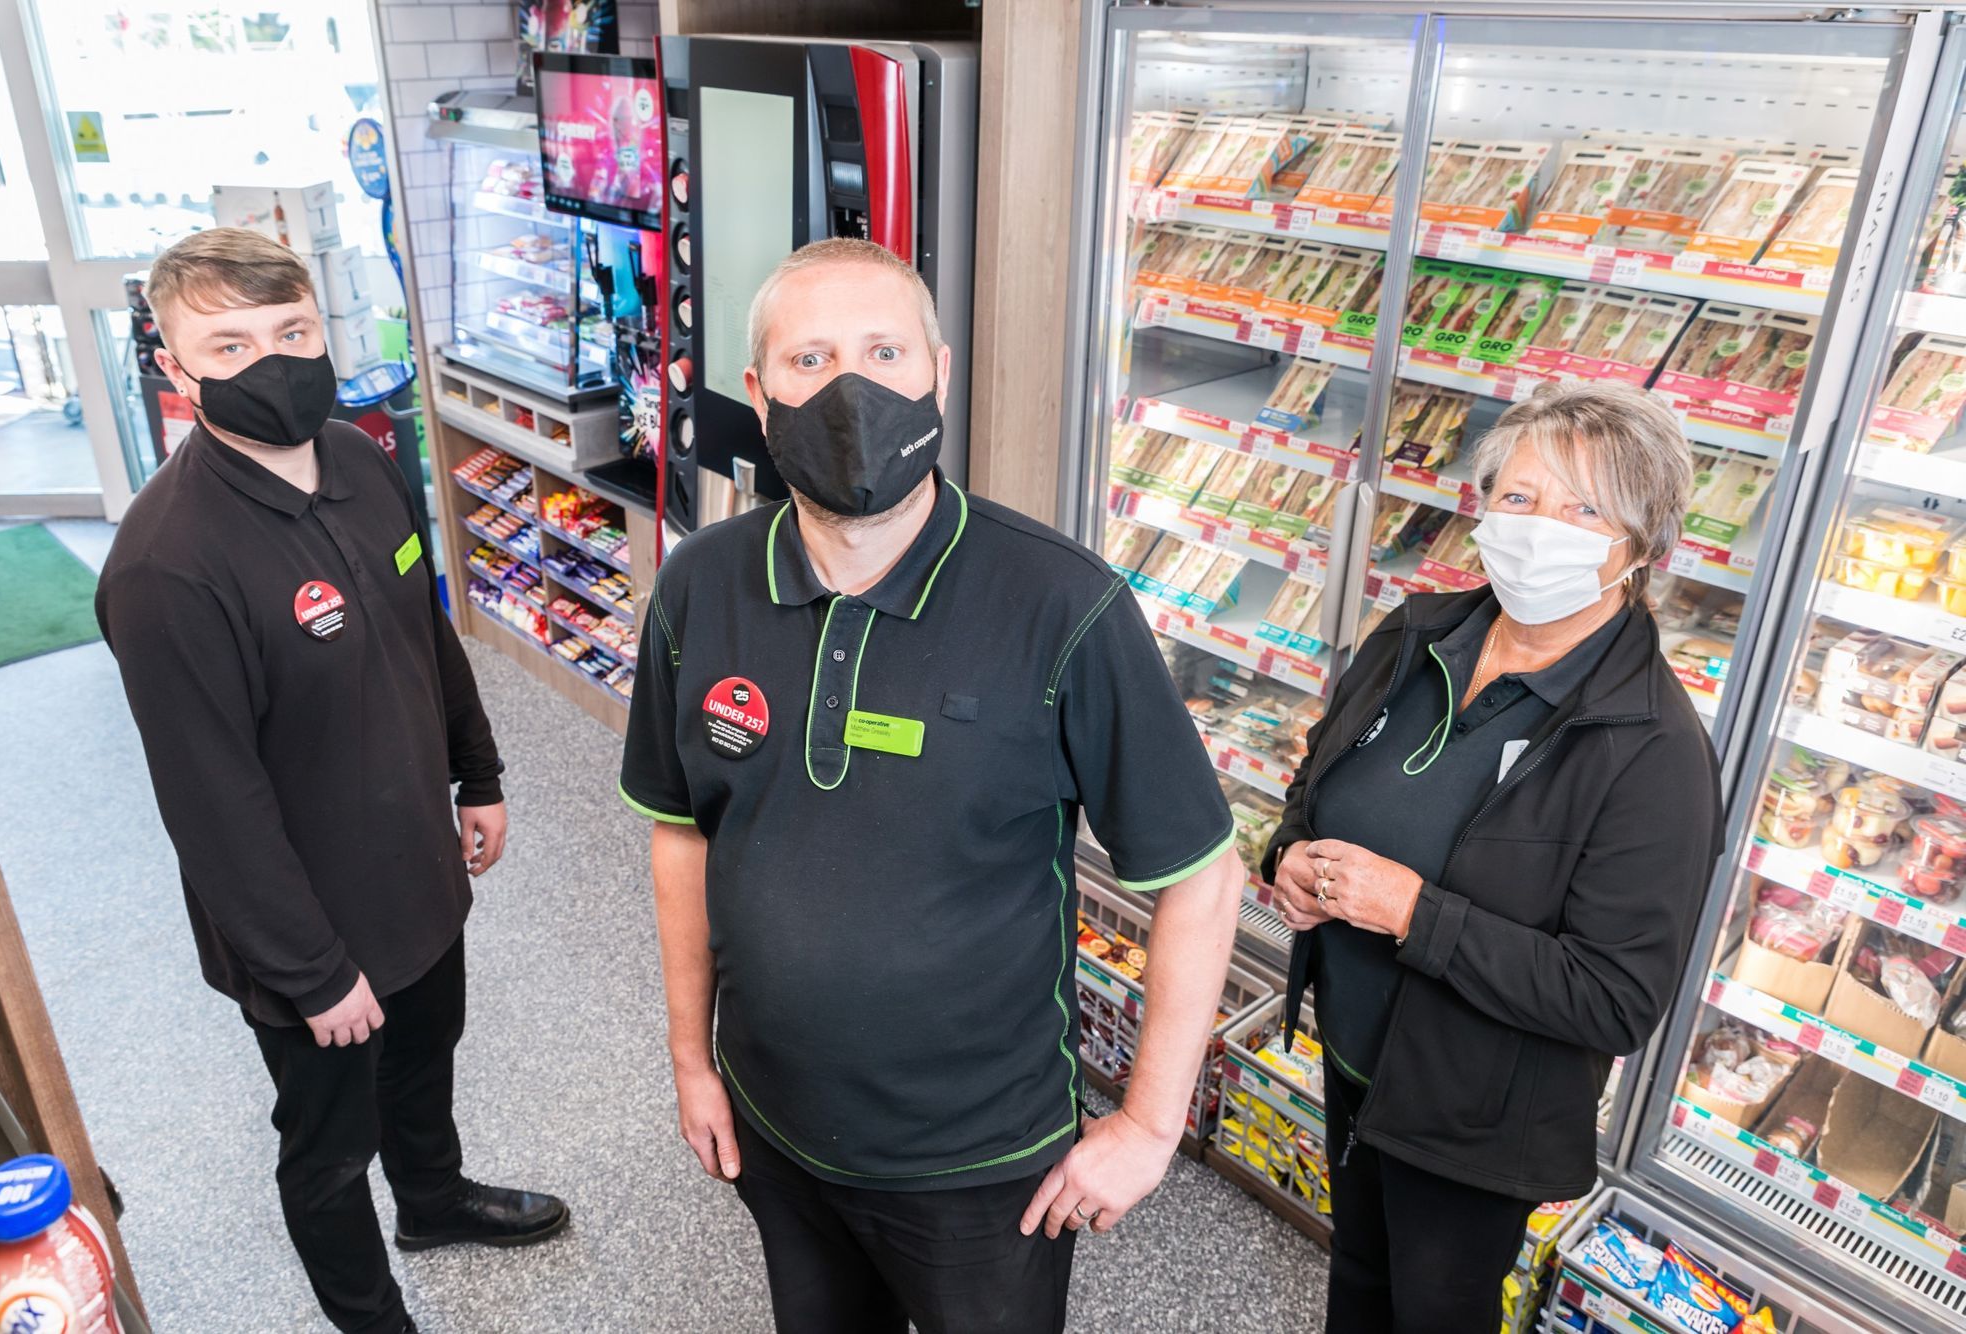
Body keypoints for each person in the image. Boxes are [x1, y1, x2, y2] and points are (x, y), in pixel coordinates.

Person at [619, 237, 1244, 1333]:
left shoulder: (1063, 605)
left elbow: (1200, 872)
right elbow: (683, 832)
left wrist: (1150, 1125)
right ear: (758, 394)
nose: (849, 389)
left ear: (938, 375)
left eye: (883, 352)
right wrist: (691, 1060)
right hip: (775, 1123)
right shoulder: (699, 584)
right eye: (810, 359)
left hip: (982, 1163)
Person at [95, 228, 567, 1334]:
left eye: (293, 330)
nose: (273, 361)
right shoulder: (166, 566)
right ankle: (373, 1319)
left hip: (416, 866)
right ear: (174, 367)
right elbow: (210, 805)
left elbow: (424, 630)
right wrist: (311, 973)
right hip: (305, 926)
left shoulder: (357, 458)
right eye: (230, 343)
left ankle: (434, 1201)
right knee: (328, 1146)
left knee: (426, 1058)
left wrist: (477, 772)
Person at [1262, 379, 1721, 1332]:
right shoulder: (1416, 633)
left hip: (1476, 1115)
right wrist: (1292, 852)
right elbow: (1320, 774)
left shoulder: (1654, 750)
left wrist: (1412, 912)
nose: (1540, 527)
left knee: (1437, 1310)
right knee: (1357, 1279)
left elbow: (1615, 997)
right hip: (1354, 1054)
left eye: (1584, 509)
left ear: (1641, 548)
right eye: (1520, 496)